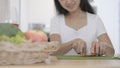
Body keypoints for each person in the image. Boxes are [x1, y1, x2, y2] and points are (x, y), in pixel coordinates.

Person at [50, 0, 114, 56]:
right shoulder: (56, 20)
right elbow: (53, 51)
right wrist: (72, 44)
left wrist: (104, 47)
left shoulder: (95, 19)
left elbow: (111, 52)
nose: (68, 1)